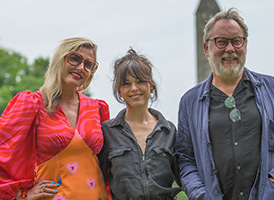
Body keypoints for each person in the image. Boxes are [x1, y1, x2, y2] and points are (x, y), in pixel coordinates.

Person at [175, 8, 274, 200]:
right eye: (221, 42)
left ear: (245, 45)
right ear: (206, 48)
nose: (230, 49)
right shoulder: (189, 102)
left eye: (236, 41)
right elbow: (185, 159)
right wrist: (200, 194)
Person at [0, 37, 110, 200]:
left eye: (88, 64)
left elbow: (109, 165)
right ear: (60, 59)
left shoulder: (98, 108)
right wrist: (21, 194)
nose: (81, 67)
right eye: (75, 58)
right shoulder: (32, 104)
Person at [98, 48, 181, 199]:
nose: (134, 88)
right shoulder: (107, 131)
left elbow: (186, 176)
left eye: (140, 81)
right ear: (119, 91)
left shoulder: (168, 131)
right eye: (127, 83)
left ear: (151, 85)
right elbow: (96, 181)